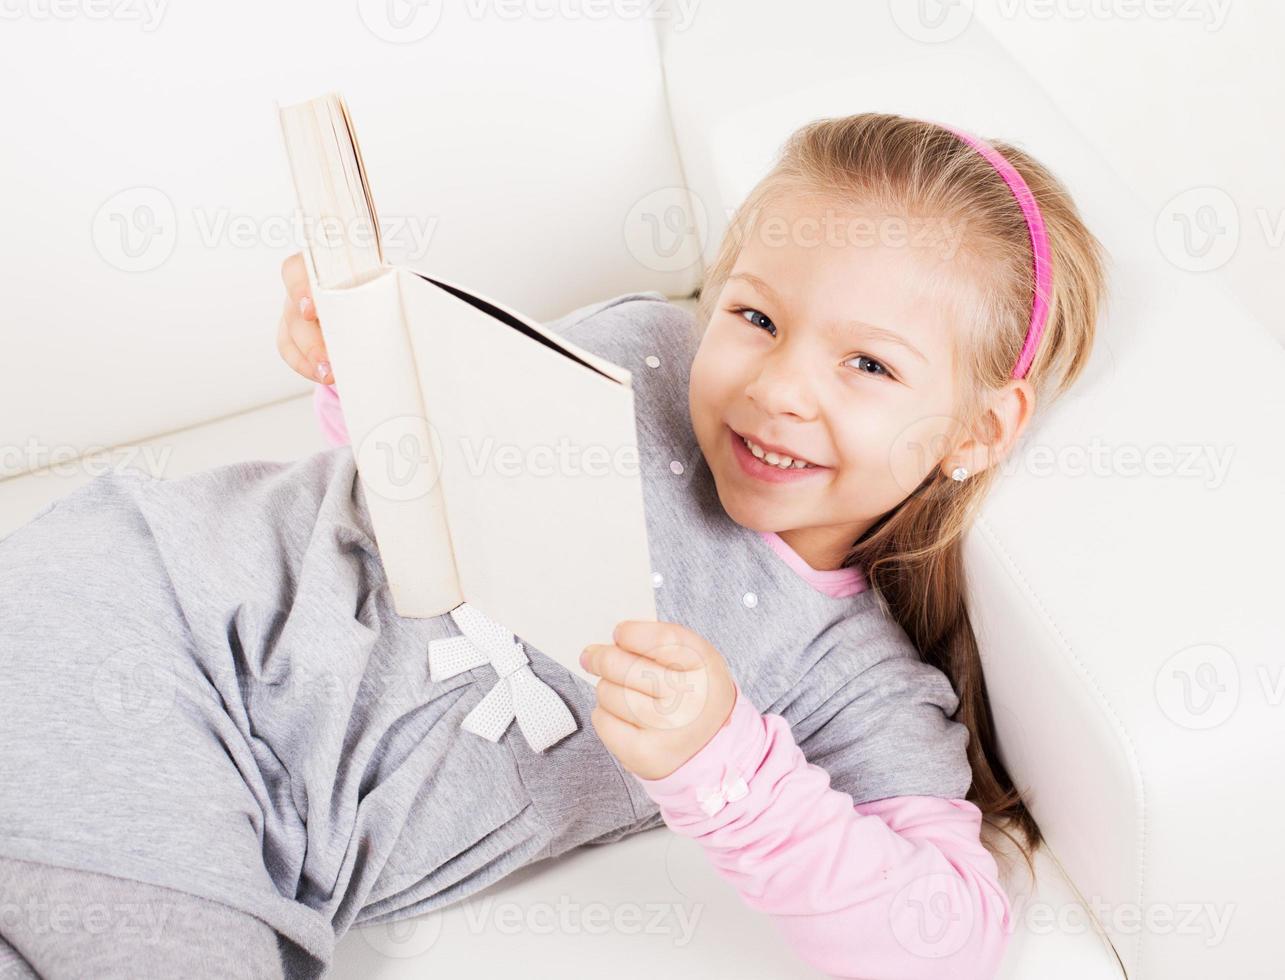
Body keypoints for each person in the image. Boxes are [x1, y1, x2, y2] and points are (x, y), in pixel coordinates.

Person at [0, 113, 1105, 979]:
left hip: (257, 833)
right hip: (154, 623)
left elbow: (948, 935)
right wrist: (363, 375)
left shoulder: (850, 679)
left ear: (976, 429)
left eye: (868, 366)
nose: (776, 390)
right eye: (755, 318)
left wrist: (723, 765)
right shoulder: (645, 355)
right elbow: (431, 473)